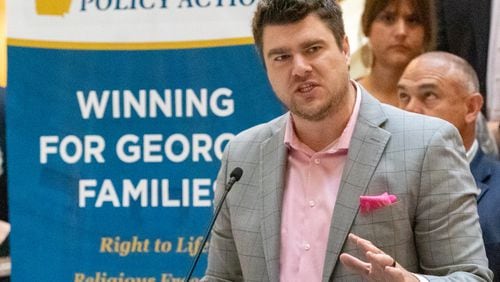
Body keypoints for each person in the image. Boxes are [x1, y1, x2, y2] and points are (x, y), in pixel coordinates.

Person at [203, 0, 492, 281]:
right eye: (281, 57)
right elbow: (222, 276)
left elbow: (470, 275)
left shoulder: (427, 144)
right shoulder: (242, 155)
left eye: (313, 49)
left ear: (344, 49)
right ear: (265, 67)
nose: (300, 68)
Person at [398, 51, 500, 281]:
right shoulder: (384, 179)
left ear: (472, 107)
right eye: (403, 96)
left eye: (429, 95)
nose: (409, 110)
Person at [356, 0, 436, 106]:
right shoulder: (346, 98)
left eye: (412, 20)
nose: (401, 32)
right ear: (366, 25)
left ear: (426, 32)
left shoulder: (439, 105)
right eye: (388, 18)